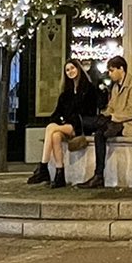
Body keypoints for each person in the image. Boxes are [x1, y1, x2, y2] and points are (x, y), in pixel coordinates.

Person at [29, 57, 102, 189]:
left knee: (51, 128)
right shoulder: (66, 93)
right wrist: (60, 121)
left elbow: (89, 111)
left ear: (78, 69)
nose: (70, 71)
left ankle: (43, 167)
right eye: (67, 70)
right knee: (55, 135)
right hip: (67, 126)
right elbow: (57, 113)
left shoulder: (89, 88)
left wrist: (66, 119)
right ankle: (59, 174)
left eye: (72, 68)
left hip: (81, 125)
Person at [91, 54, 132, 188]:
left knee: (101, 130)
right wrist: (105, 115)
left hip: (130, 124)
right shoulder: (116, 87)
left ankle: (98, 175)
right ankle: (98, 175)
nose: (110, 74)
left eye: (112, 70)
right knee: (99, 131)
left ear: (121, 69)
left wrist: (112, 117)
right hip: (116, 121)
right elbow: (111, 106)